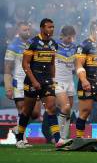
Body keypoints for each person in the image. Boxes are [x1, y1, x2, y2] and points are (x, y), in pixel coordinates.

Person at [16, 18, 63, 148]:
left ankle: (58, 140)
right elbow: (25, 63)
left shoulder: (54, 44)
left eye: (53, 27)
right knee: (28, 111)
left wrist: (53, 79)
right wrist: (34, 81)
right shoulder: (32, 43)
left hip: (47, 81)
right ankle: (19, 138)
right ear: (42, 28)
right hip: (33, 81)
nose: (51, 29)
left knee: (52, 107)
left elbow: (52, 62)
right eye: (49, 27)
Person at [4, 21, 42, 140]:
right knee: (22, 109)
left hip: (33, 81)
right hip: (19, 81)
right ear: (18, 31)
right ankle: (21, 138)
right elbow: (8, 69)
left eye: (28, 30)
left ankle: (19, 127)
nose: (27, 32)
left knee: (35, 113)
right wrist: (8, 87)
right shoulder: (13, 46)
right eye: (24, 30)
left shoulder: (34, 44)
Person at [55, 25, 78, 140]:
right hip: (57, 81)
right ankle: (60, 137)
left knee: (68, 111)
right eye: (68, 37)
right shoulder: (54, 46)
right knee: (66, 107)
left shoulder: (75, 48)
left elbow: (77, 65)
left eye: (72, 37)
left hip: (70, 82)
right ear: (62, 36)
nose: (70, 40)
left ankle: (64, 137)